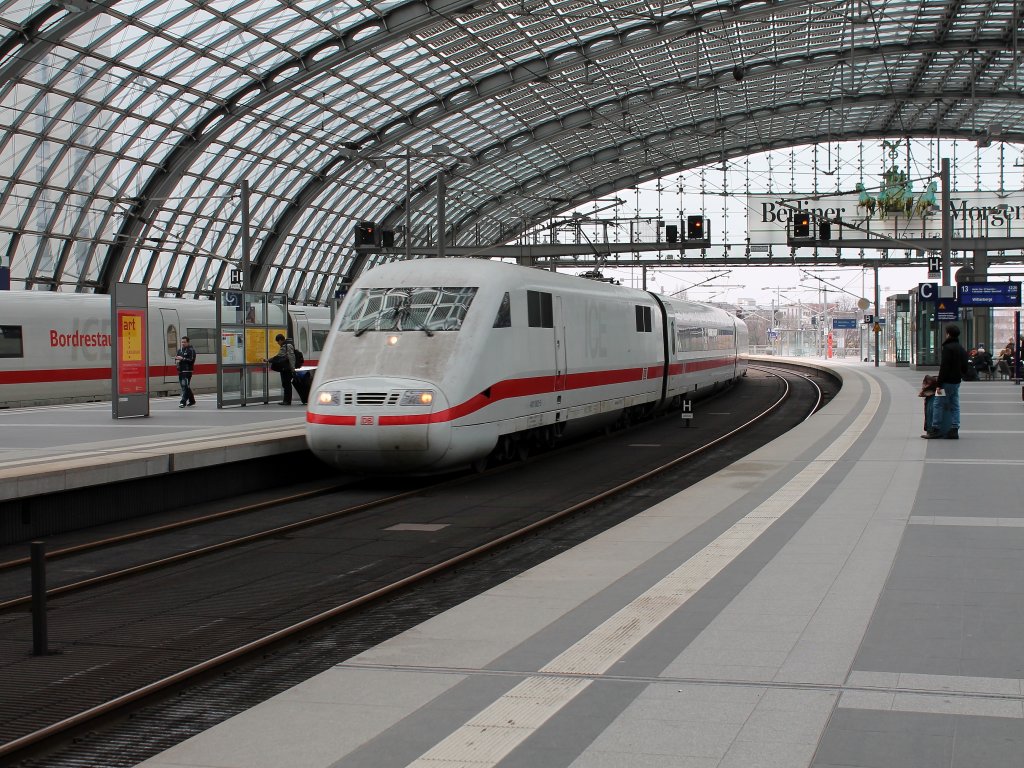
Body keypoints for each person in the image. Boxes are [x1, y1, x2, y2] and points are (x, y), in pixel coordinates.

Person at [924, 324, 968, 440]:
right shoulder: (961, 348)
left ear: (948, 334)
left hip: (946, 382)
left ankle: (936, 428)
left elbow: (944, 367)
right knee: (955, 404)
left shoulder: (948, 348)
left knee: (938, 403)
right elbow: (965, 366)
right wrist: (960, 375)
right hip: (956, 382)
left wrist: (939, 384)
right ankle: (954, 428)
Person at [268, 333, 296, 405]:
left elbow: (291, 357)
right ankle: (286, 400)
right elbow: (279, 356)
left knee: (287, 384)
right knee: (285, 384)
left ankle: (287, 401)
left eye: (278, 341)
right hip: (284, 369)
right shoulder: (285, 346)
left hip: (287, 369)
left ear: (281, 340)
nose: (278, 343)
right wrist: (269, 360)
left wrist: (293, 369)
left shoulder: (287, 346)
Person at [175, 335, 196, 408]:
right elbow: (177, 359)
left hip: (187, 371)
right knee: (185, 386)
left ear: (188, 342)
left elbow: (191, 360)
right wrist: (177, 361)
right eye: (182, 342)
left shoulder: (191, 350)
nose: (183, 343)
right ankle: (192, 400)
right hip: (181, 370)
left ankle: (183, 402)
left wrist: (183, 358)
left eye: (184, 342)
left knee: (185, 386)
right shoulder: (179, 350)